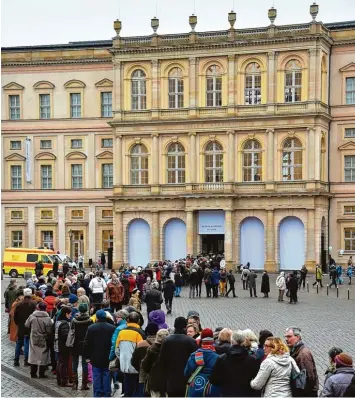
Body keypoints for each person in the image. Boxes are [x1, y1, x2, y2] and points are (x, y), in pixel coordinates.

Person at [209, 330, 260, 397]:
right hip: (245, 394)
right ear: (244, 341)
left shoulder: (222, 358)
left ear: (232, 341)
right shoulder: (252, 360)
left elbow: (213, 379)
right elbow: (257, 381)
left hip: (227, 393)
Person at [160, 316, 198, 397]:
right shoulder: (191, 341)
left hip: (171, 379)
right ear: (185, 326)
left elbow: (162, 360)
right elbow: (196, 361)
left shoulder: (167, 340)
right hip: (186, 379)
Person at [84, 309, 116, 397]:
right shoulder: (112, 328)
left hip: (95, 356)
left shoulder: (91, 328)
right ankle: (106, 393)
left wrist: (87, 356)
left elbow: (87, 343)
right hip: (107, 356)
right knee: (106, 376)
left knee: (97, 376)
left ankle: (97, 394)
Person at [115, 311, 145, 397]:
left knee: (128, 389)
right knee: (137, 390)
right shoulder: (140, 333)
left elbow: (117, 349)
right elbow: (142, 351)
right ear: (138, 321)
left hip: (125, 366)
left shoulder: (121, 332)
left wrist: (122, 359)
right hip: (137, 367)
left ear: (127, 320)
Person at [185, 328, 220, 397]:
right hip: (211, 389)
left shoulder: (195, 355)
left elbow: (186, 372)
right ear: (212, 340)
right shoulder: (217, 357)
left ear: (201, 340)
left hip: (196, 386)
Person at [285, 327, 319, 397]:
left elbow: (309, 378)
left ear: (297, 337)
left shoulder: (303, 355)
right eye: (286, 337)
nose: (286, 339)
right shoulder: (294, 350)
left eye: (289, 336)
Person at [25, 301, 53, 378]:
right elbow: (49, 330)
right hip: (43, 338)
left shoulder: (32, 316)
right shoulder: (47, 318)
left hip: (33, 337)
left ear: (38, 307)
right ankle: (41, 373)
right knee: (43, 355)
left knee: (33, 355)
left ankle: (33, 373)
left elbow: (26, 325)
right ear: (45, 308)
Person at [131, 322, 159, 397]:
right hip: (157, 378)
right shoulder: (162, 344)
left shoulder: (140, 344)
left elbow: (133, 361)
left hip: (143, 377)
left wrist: (140, 368)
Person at [142, 329, 170, 397]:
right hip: (168, 381)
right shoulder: (171, 349)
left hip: (154, 380)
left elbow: (145, 365)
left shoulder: (151, 349)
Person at [71, 303, 92, 390]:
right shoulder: (90, 321)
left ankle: (75, 383)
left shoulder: (74, 320)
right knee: (85, 363)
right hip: (86, 344)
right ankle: (84, 384)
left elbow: (71, 332)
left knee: (74, 362)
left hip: (75, 343)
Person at [13, 288, 36, 366]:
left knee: (19, 343)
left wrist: (18, 324)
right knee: (27, 343)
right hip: (29, 327)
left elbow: (15, 317)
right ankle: (26, 360)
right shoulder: (33, 304)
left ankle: (16, 360)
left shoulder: (19, 304)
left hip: (21, 327)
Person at [55, 306, 72, 386]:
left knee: (59, 362)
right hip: (63, 346)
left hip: (57, 345)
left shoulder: (57, 322)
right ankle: (64, 381)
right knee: (63, 363)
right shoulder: (65, 323)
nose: (70, 316)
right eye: (70, 314)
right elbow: (65, 336)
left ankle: (59, 380)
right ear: (66, 314)